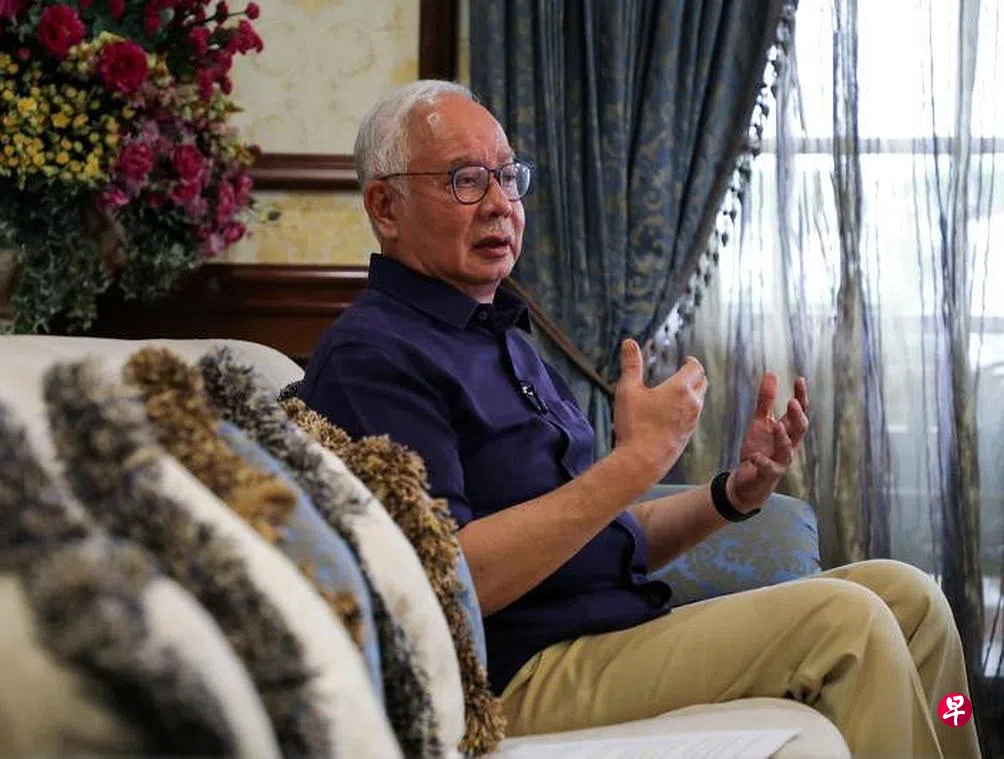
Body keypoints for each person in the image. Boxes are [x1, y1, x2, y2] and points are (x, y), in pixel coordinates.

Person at [296, 79, 981, 758]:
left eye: (507, 176)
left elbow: (600, 531)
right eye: (466, 180)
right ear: (386, 206)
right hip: (518, 674)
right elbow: (446, 581)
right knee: (848, 623)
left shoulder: (500, 334)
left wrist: (731, 494)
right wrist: (636, 462)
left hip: (611, 631)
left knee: (912, 598)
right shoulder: (372, 356)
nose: (501, 203)